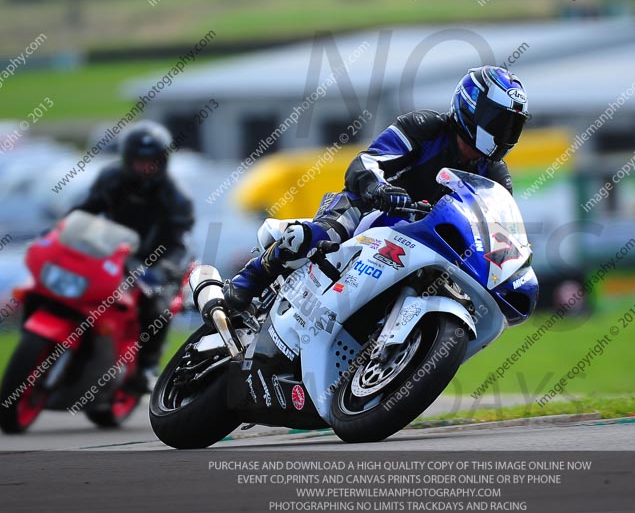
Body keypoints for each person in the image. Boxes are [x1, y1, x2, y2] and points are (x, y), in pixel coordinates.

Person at [224, 65, 529, 311]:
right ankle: (248, 279)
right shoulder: (425, 127)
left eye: (512, 126)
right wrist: (378, 188)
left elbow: (497, 229)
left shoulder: (495, 176)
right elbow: (365, 163)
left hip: (429, 242)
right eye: (500, 121)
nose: (505, 133)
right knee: (318, 236)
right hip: (371, 210)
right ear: (472, 107)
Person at [73, 120, 195, 392]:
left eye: (150, 161)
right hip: (112, 252)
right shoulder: (110, 178)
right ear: (127, 159)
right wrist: (63, 230)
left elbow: (180, 241)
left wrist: (165, 267)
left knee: (158, 305)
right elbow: (86, 209)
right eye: (138, 161)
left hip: (154, 262)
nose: (144, 167)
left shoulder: (175, 195)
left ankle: (146, 368)